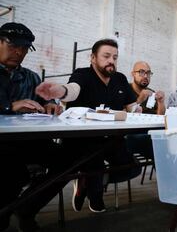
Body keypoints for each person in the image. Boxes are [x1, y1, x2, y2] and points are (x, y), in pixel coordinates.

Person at [36, 38, 142, 213]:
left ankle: (88, 181)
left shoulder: (120, 78)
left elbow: (131, 106)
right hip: (83, 140)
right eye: (106, 56)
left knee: (133, 167)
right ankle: (95, 193)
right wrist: (59, 91)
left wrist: (137, 109)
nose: (111, 61)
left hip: (113, 138)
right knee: (94, 160)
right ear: (93, 57)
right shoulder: (82, 74)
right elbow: (72, 89)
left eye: (115, 57)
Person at [0, 22, 68, 231]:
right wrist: (9, 106)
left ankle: (27, 208)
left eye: (24, 48)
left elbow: (48, 102)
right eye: (13, 46)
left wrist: (51, 105)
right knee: (13, 171)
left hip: (27, 143)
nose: (19, 52)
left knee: (68, 160)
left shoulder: (31, 77)